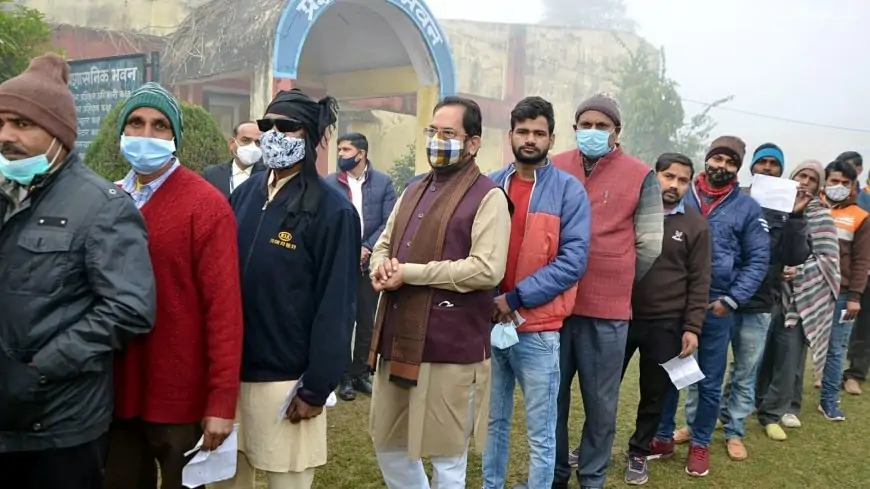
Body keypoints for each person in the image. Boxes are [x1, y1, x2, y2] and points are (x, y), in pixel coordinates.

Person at [0, 54, 156, 488]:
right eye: (0, 123)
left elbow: (129, 308)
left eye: (22, 124)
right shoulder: (4, 194)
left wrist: (39, 371)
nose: (6, 137)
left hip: (58, 428)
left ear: (59, 136)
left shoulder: (102, 207)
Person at [214, 89, 359, 489]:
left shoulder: (333, 210)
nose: (273, 134)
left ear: (310, 136)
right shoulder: (244, 194)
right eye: (267, 126)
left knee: (287, 481)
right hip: (232, 372)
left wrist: (316, 386)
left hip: (287, 379)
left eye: (286, 127)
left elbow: (337, 304)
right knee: (225, 480)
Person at [105, 82, 243, 489]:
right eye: (136, 122)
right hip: (115, 391)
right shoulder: (108, 199)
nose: (145, 134)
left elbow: (224, 310)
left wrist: (221, 401)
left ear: (174, 137)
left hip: (179, 396)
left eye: (159, 125)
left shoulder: (205, 205)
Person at [368, 96, 511, 489]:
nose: (437, 140)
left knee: (447, 455)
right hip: (399, 338)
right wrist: (380, 266)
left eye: (448, 133)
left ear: (473, 143)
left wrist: (409, 273)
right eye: (432, 132)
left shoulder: (489, 196)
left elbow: (486, 269)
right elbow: (385, 240)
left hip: (451, 345)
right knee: (389, 442)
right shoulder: (413, 190)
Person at [551, 92, 664, 489]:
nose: (594, 132)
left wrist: (616, 277)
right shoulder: (556, 165)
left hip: (608, 311)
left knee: (601, 405)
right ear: (575, 127)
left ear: (617, 131)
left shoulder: (640, 174)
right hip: (555, 306)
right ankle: (556, 474)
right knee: (553, 399)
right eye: (587, 125)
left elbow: (650, 243)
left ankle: (593, 478)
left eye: (603, 126)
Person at [482, 96, 591, 489]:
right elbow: (475, 249)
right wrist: (492, 300)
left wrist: (514, 299)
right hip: (490, 326)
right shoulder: (491, 185)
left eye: (539, 133)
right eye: (523, 131)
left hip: (540, 330)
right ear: (510, 134)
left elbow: (573, 260)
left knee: (542, 432)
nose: (530, 139)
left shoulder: (568, 191)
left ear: (551, 138)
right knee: (492, 423)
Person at [651, 136, 769, 478]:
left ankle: (701, 442)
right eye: (717, 159)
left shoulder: (747, 207)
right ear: (706, 160)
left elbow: (759, 259)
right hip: (673, 301)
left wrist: (732, 299)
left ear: (738, 168)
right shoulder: (680, 193)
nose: (722, 167)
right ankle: (661, 436)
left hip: (715, 305)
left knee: (709, 381)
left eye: (731, 163)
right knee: (670, 374)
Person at [713, 143, 811, 460]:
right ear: (751, 168)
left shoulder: (789, 207)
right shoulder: (734, 198)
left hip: (759, 303)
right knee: (708, 367)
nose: (767, 168)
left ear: (781, 171)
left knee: (745, 371)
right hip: (721, 299)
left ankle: (734, 429)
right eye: (762, 162)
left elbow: (794, 256)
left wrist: (795, 218)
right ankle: (700, 423)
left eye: (774, 164)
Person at [623, 153, 711, 485]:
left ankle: (638, 451)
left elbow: (700, 280)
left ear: (690, 183)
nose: (674, 184)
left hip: (667, 324)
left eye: (682, 179)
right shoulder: (631, 211)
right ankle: (592, 445)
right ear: (654, 175)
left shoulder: (695, 224)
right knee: (602, 388)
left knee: (654, 393)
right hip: (621, 316)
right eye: (668, 176)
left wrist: (692, 328)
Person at [756, 160, 840, 438]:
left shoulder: (822, 215)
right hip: (770, 292)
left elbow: (828, 260)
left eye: (812, 179)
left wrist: (800, 270)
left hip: (801, 297)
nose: (805, 182)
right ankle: (757, 402)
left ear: (818, 186)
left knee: (789, 356)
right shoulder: (774, 208)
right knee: (761, 354)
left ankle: (776, 411)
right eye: (800, 176)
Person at [324, 132, 397, 401]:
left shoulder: (383, 183)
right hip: (341, 262)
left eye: (345, 150)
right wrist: (349, 249)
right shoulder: (329, 183)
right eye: (340, 149)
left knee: (367, 319)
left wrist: (366, 248)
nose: (340, 154)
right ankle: (343, 376)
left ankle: (361, 372)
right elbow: (327, 219)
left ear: (361, 154)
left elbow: (389, 220)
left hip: (371, 262)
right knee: (343, 320)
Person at [818, 159, 870, 420]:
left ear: (853, 187)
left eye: (845, 183)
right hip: (809, 290)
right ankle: (785, 402)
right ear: (825, 181)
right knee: (794, 349)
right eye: (834, 181)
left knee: (836, 349)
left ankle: (828, 400)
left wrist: (855, 297)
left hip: (841, 295)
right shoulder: (811, 208)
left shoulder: (861, 216)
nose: (838, 186)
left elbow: (862, 260)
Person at [839, 152, 870, 395]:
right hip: (854, 271)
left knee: (865, 328)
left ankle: (855, 374)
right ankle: (826, 371)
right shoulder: (857, 200)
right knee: (840, 325)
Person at [203, 120, 265, 197]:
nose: (252, 146)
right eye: (245, 140)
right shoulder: (211, 174)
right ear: (232, 143)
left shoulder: (268, 175)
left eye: (257, 142)